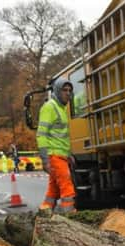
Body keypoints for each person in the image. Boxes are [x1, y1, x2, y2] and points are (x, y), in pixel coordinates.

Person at [37, 77, 76, 213]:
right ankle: (70, 217)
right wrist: (45, 160)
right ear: (57, 91)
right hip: (54, 156)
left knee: (53, 191)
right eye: (64, 90)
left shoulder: (61, 109)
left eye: (70, 90)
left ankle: (45, 212)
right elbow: (41, 134)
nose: (68, 93)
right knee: (67, 186)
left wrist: (69, 154)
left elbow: (62, 137)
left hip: (60, 155)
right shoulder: (50, 107)